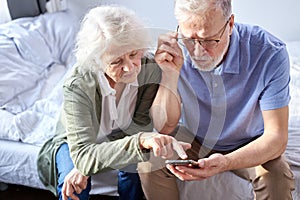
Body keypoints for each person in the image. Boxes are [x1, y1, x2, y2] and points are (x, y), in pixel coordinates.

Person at [138, 0, 295, 199]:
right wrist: (169, 74)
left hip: (251, 141)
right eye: (189, 39)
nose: (197, 52)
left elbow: (277, 138)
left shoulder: (269, 52)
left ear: (230, 25)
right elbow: (164, 127)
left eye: (208, 40)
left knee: (277, 179)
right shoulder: (173, 50)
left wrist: (227, 161)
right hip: (194, 138)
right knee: (149, 160)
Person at [37, 5, 191, 200]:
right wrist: (84, 165)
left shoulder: (148, 68)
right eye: (116, 61)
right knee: (73, 185)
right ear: (97, 60)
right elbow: (83, 154)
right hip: (74, 143)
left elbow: (140, 125)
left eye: (134, 54)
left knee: (136, 169)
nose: (129, 68)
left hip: (122, 135)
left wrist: (138, 142)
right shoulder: (78, 85)